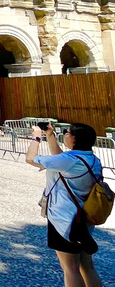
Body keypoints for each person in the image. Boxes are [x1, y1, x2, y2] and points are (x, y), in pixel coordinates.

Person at [26, 123, 103, 287]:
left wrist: (36, 137)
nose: (65, 135)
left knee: (70, 268)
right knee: (87, 265)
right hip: (84, 219)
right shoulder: (91, 159)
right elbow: (59, 157)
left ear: (73, 138)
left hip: (63, 220)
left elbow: (30, 158)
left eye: (67, 133)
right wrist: (50, 135)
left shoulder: (69, 160)